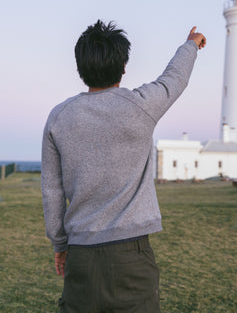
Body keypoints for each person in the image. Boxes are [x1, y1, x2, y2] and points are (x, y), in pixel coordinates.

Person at [41, 20, 206, 313]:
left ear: (80, 66)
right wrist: (191, 44)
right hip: (133, 254)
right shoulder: (141, 105)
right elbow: (174, 78)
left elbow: (52, 191)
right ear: (123, 66)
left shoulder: (59, 117)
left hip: (81, 254)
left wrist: (60, 244)